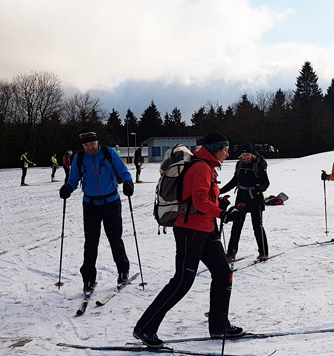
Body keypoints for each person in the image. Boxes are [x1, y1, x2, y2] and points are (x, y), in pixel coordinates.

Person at [133, 132, 244, 348]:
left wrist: (220, 203)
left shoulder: (207, 166)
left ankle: (219, 325)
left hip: (206, 229)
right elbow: (200, 201)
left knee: (223, 273)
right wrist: (223, 214)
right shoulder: (201, 167)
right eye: (225, 149)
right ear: (215, 149)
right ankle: (145, 327)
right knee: (182, 281)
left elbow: (202, 198)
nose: (228, 153)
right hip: (190, 231)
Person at [58, 132, 134, 294]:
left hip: (111, 203)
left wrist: (128, 182)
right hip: (90, 204)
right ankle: (88, 279)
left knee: (115, 239)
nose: (90, 148)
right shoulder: (79, 158)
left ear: (98, 142)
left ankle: (123, 271)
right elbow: (73, 179)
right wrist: (68, 188)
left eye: (92, 144)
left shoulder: (108, 153)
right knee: (91, 242)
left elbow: (123, 170)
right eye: (86, 145)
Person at [220, 143, 270, 262]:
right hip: (241, 197)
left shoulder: (258, 165)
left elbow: (266, 183)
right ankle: (231, 253)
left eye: (247, 154)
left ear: (252, 155)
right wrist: (220, 191)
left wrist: (259, 189)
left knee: (257, 226)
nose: (245, 157)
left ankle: (263, 252)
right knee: (236, 225)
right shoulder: (239, 165)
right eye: (243, 154)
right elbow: (234, 181)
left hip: (255, 198)